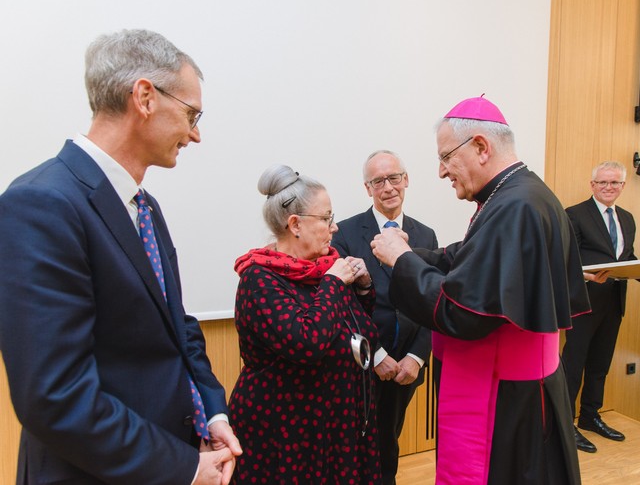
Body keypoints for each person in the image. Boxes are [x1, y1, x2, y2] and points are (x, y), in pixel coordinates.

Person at [0, 29, 241, 484]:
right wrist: (185, 466)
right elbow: (56, 396)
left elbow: (177, 326)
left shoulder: (144, 206)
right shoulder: (41, 204)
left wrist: (212, 414)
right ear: (145, 97)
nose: (196, 134)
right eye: (191, 113)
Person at [371, 96, 590, 484]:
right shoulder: (520, 195)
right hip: (521, 387)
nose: (441, 172)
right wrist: (412, 253)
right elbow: (468, 258)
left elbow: (463, 309)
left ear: (481, 147)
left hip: (506, 397)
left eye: (446, 158)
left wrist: (402, 260)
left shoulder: (514, 205)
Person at [229, 164, 382, 484]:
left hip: (336, 427)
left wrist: (364, 287)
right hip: (287, 435)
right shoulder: (260, 278)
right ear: (295, 224)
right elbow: (307, 343)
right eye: (326, 218)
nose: (335, 227)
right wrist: (335, 284)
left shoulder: (324, 269)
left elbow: (355, 329)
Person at [331, 150, 438, 484]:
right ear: (368, 188)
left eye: (394, 178)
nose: (388, 187)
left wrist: (417, 357)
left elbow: (431, 302)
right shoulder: (345, 233)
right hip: (362, 363)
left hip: (406, 363)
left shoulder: (426, 236)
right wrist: (374, 355)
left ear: (406, 180)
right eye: (378, 181)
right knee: (360, 445)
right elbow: (342, 306)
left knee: (390, 437)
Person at [562, 161, 636, 453]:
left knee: (600, 365)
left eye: (615, 183)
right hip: (584, 302)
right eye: (603, 182)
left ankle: (591, 416)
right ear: (592, 185)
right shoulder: (575, 214)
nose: (609, 187)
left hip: (614, 302)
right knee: (573, 365)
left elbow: (627, 256)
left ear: (622, 187)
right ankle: (567, 424)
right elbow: (566, 257)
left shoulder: (628, 218)